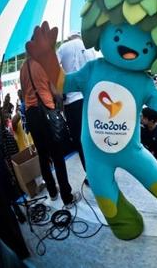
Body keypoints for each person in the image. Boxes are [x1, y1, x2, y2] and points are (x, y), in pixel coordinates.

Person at [19, 57, 79, 206]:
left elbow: (24, 92)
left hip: (31, 115)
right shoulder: (43, 63)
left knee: (43, 156)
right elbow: (56, 92)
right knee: (57, 157)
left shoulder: (22, 68)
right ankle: (67, 197)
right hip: (45, 112)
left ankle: (52, 192)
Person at [57, 31, 97, 174]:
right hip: (91, 98)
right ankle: (103, 171)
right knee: (95, 136)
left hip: (73, 102)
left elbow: (53, 70)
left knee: (80, 140)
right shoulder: (89, 47)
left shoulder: (63, 48)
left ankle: (90, 174)